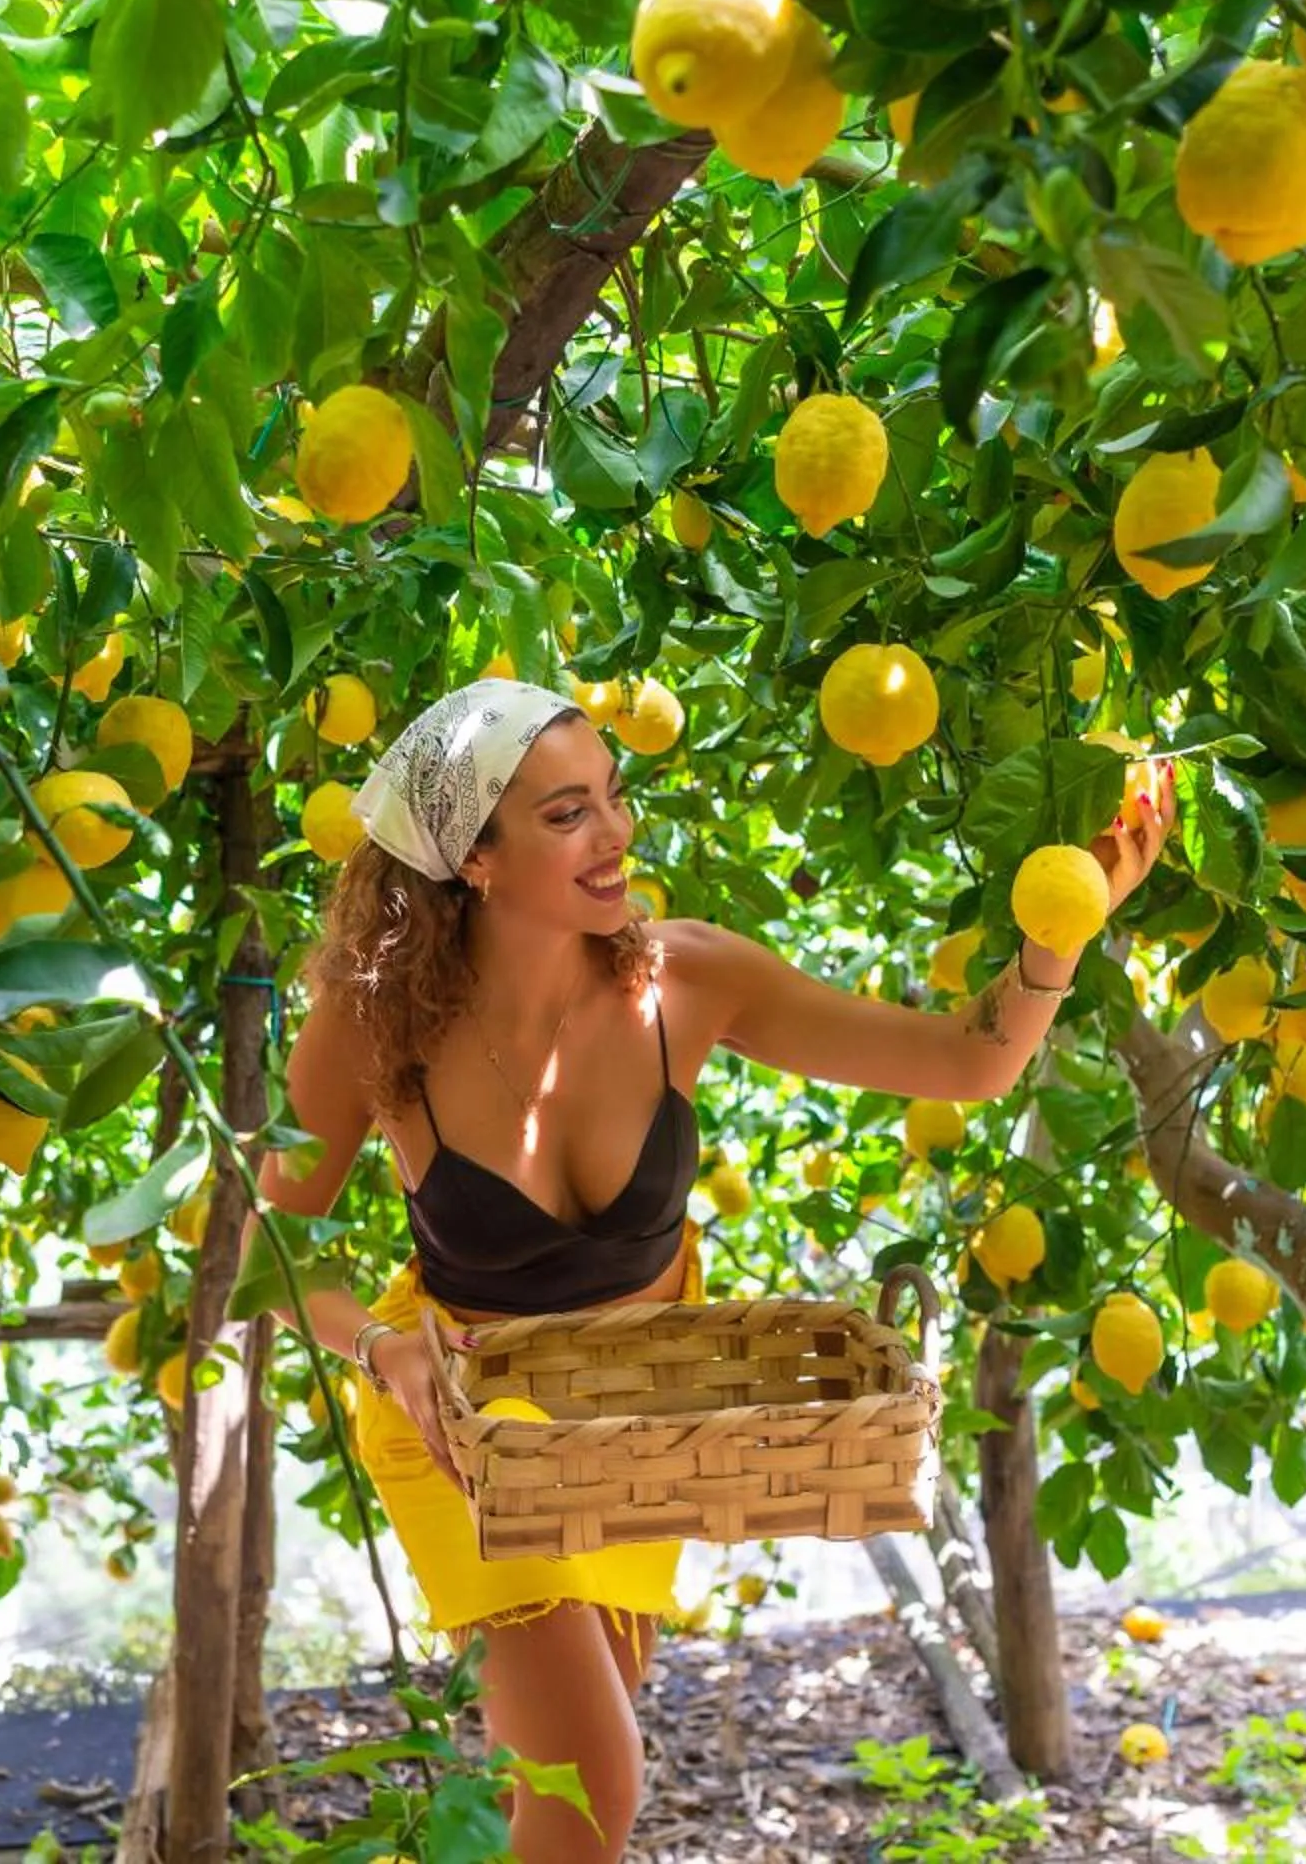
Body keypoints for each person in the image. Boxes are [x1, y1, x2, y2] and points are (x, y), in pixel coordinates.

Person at [251, 677, 1174, 1863]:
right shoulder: (376, 1015)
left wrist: (1056, 943)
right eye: (567, 813)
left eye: (615, 799)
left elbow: (964, 1063)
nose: (617, 835)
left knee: (546, 1787)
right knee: (596, 1788)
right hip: (466, 1425)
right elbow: (269, 1244)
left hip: (637, 1426)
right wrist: (379, 1350)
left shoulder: (683, 981)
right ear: (473, 857)